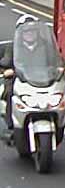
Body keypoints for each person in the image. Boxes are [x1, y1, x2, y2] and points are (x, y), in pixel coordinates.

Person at [0, 14, 38, 143]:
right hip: (17, 80)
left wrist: (59, 68)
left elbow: (53, 61)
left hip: (39, 80)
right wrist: (8, 70)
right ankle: (11, 125)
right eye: (26, 31)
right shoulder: (13, 47)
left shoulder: (43, 46)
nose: (30, 34)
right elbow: (6, 61)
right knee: (11, 93)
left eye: (32, 31)